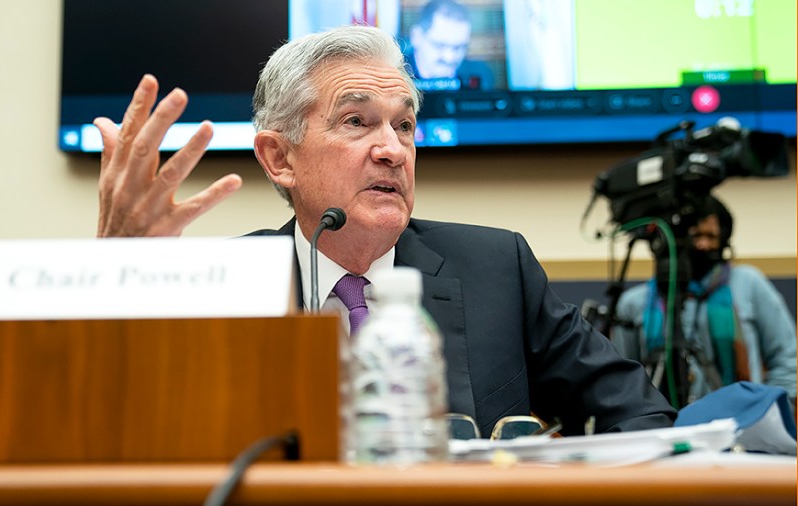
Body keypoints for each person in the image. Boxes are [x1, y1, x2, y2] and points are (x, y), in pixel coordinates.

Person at [93, 25, 675, 437]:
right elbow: (119, 424)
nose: (392, 150)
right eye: (357, 122)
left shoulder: (498, 266)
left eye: (404, 125)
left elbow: (643, 416)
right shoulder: (227, 287)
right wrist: (121, 269)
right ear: (279, 158)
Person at [613, 195, 797, 406]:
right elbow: (624, 379)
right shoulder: (634, 303)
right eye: (696, 235)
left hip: (741, 427)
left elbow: (787, 358)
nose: (703, 244)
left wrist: (768, 412)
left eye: (711, 236)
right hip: (662, 428)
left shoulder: (748, 283)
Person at [405, 0, 494, 90]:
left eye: (459, 48)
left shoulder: (480, 74)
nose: (449, 58)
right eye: (439, 45)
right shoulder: (395, 73)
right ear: (416, 36)